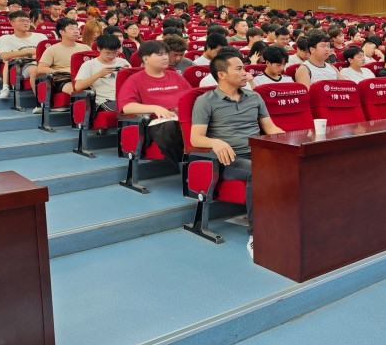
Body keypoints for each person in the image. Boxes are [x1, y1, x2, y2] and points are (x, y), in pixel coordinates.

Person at [191, 52, 284, 259]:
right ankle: (256, 235)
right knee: (258, 172)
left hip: (258, 152)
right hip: (229, 159)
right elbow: (195, 138)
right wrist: (216, 142)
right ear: (222, 74)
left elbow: (270, 128)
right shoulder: (205, 101)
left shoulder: (254, 97)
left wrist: (291, 141)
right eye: (239, 69)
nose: (245, 73)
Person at [118, 40, 193, 169]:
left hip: (181, 118)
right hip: (156, 123)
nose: (165, 57)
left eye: (166, 54)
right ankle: (187, 168)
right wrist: (155, 108)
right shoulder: (135, 79)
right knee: (172, 128)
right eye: (159, 55)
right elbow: (126, 107)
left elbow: (191, 99)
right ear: (146, 59)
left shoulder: (175, 76)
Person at [36, 18, 92, 111]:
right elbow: (41, 68)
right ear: (62, 32)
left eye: (77, 28)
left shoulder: (86, 47)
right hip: (64, 79)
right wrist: (62, 72)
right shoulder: (52, 49)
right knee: (81, 91)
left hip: (84, 77)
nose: (76, 31)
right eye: (72, 28)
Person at [0, 11, 48, 100]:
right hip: (24, 65)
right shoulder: (6, 38)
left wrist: (26, 56)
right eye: (22, 21)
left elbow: (47, 54)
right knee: (34, 70)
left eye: (28, 21)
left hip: (44, 62)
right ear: (12, 23)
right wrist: (29, 52)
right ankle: (41, 102)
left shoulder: (41, 36)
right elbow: (4, 56)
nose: (26, 23)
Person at [74, 34, 131, 112]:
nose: (111, 56)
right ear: (98, 49)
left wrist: (127, 74)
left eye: (115, 53)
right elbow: (78, 86)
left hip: (126, 97)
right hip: (106, 100)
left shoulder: (123, 62)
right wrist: (99, 74)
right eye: (107, 53)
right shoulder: (89, 65)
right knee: (126, 110)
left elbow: (135, 82)